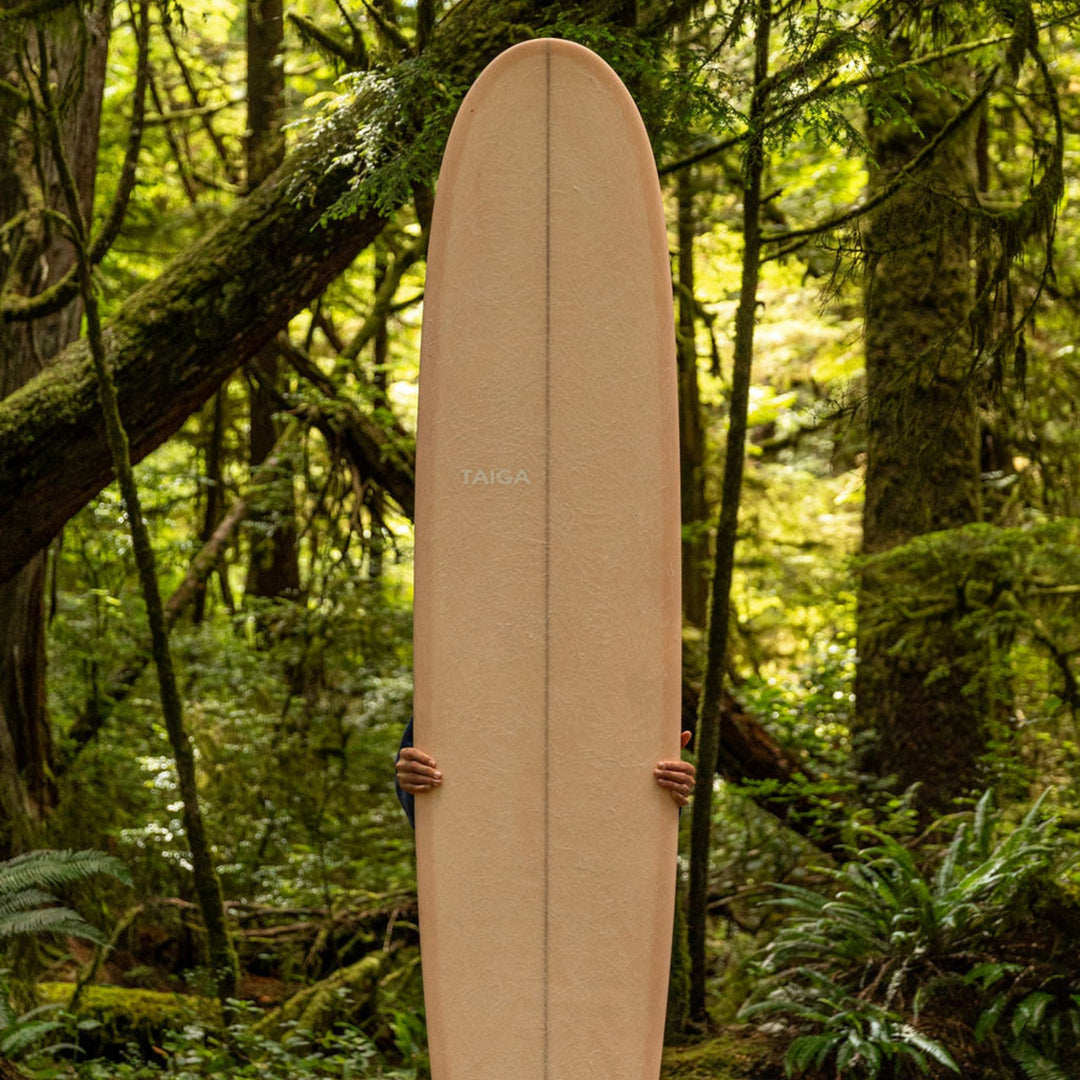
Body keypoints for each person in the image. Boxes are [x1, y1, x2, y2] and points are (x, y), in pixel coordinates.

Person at [394, 716, 696, 827]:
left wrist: (668, 788)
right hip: (493, 882)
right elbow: (430, 795)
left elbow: (631, 826)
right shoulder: (463, 685)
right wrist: (412, 784)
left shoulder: (623, 689)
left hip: (594, 888)